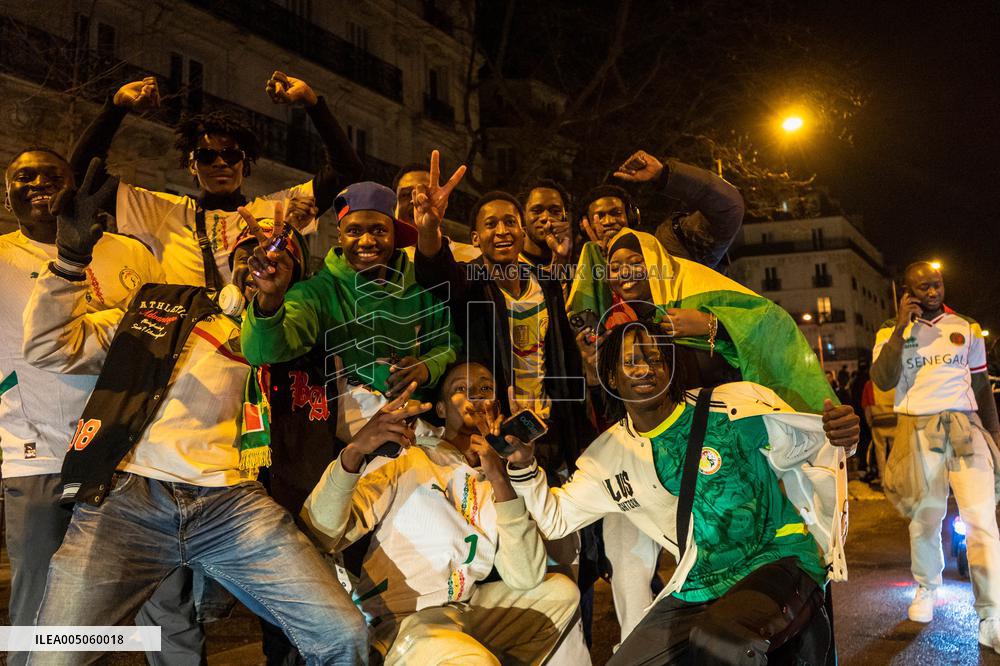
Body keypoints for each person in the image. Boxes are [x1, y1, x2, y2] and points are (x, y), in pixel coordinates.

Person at [21, 182, 367, 665]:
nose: (261, 263)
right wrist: (70, 262)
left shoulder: (299, 342)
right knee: (54, 656)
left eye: (279, 259)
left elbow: (348, 397)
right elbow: (49, 347)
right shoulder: (160, 304)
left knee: (343, 634)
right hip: (127, 498)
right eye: (249, 252)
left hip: (233, 509)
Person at [500, 320, 859, 664]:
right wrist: (524, 466)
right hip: (699, 584)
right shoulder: (608, 457)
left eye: (655, 359)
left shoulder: (733, 407)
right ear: (610, 377)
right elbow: (555, 519)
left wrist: (842, 437)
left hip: (776, 560)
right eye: (631, 361)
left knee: (720, 642)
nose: (645, 368)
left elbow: (811, 445)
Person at [301, 363, 581, 665]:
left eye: (485, 388)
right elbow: (322, 533)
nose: (475, 396)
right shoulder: (410, 458)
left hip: (463, 611)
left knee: (561, 595)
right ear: (442, 409)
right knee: (473, 661)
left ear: (497, 408)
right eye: (461, 389)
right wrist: (354, 452)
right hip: (406, 622)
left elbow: (525, 577)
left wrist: (500, 479)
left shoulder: (497, 480)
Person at [0, 150, 161, 665]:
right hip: (37, 454)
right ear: (7, 194)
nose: (39, 184)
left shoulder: (129, 252)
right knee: (39, 597)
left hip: (123, 451)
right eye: (24, 177)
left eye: (53, 175)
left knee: (114, 604)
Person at [68, 72, 363, 286]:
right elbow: (83, 175)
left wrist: (313, 104)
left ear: (245, 164)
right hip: (185, 347)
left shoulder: (274, 211)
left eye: (231, 155)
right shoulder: (161, 211)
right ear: (192, 165)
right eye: (207, 156)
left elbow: (347, 171)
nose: (220, 162)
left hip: (248, 344)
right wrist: (116, 108)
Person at [411, 151, 592, 477]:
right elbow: (436, 273)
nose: (502, 230)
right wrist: (429, 229)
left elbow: (563, 360)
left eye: (510, 222)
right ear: (476, 238)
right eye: (490, 224)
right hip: (495, 435)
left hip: (550, 430)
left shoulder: (546, 286)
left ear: (522, 232)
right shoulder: (469, 283)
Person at [239, 181, 458, 435]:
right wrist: (270, 297)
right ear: (340, 235)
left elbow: (449, 344)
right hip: (349, 439)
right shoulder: (316, 292)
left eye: (378, 230)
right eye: (354, 231)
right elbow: (261, 352)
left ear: (395, 234)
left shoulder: (421, 284)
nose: (367, 241)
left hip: (422, 427)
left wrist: (426, 367)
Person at [871, 261, 1000, 650]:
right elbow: (882, 379)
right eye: (923, 287)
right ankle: (927, 586)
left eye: (937, 284)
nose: (932, 292)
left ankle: (991, 615)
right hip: (917, 429)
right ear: (906, 292)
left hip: (965, 426)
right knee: (925, 517)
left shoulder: (965, 326)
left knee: (982, 520)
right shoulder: (888, 332)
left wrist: (994, 434)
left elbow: (981, 385)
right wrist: (900, 328)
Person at [580, 150, 744, 269]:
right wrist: (599, 264)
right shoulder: (578, 274)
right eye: (599, 216)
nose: (609, 221)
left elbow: (729, 208)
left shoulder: (672, 244)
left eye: (616, 213)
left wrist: (664, 175)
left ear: (632, 216)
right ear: (585, 225)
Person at [519, 178, 574, 271]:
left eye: (555, 211)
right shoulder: (506, 265)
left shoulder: (579, 267)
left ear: (565, 218)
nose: (545, 217)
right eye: (537, 211)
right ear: (523, 215)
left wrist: (562, 263)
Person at [860, 376, 896, 487]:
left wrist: (870, 422)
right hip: (894, 421)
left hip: (878, 421)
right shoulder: (894, 381)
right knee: (894, 451)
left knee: (880, 451)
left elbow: (866, 406)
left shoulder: (870, 385)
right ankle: (894, 478)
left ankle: (883, 479)